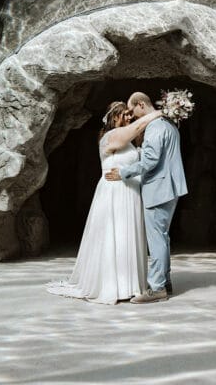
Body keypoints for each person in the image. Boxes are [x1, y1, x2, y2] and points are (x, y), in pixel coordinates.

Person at [47, 101, 162, 304]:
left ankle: (130, 284)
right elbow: (135, 128)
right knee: (115, 235)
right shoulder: (110, 137)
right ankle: (112, 285)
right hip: (114, 192)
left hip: (131, 193)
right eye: (125, 114)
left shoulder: (129, 141)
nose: (129, 117)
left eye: (130, 114)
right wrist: (161, 112)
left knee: (129, 234)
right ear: (114, 117)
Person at [105, 92, 187, 303]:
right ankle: (165, 281)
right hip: (171, 188)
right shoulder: (169, 124)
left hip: (158, 189)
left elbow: (150, 161)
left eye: (133, 110)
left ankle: (157, 288)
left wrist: (123, 173)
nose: (132, 116)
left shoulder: (155, 127)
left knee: (157, 238)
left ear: (141, 105)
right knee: (163, 236)